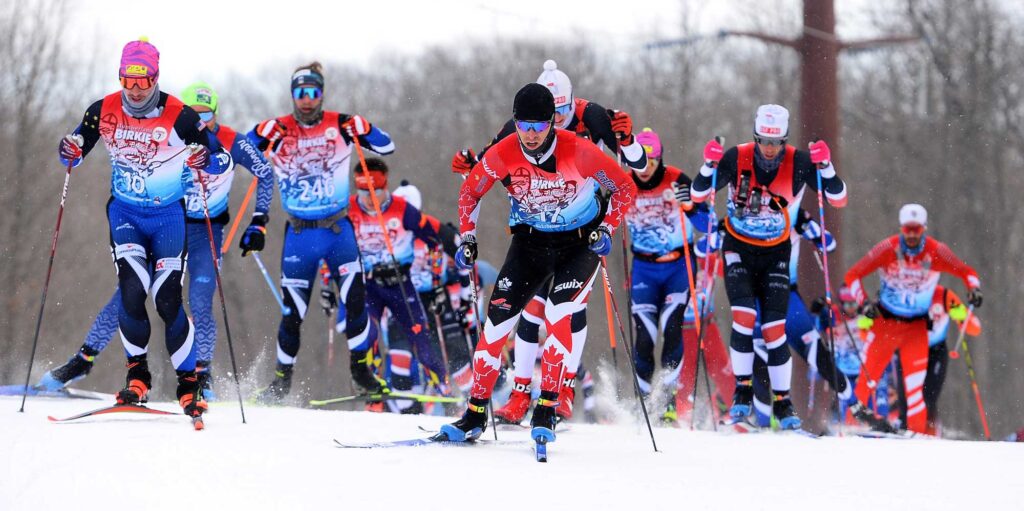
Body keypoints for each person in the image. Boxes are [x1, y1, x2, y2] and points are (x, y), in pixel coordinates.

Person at [39, 81, 274, 400]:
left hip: (204, 231)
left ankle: (202, 376)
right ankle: (83, 360)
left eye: (207, 115)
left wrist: (259, 222)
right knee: (129, 292)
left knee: (200, 299)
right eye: (196, 114)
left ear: (216, 114)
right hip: (168, 221)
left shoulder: (231, 141)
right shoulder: (174, 129)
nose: (201, 122)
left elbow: (265, 171)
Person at [439, 83, 636, 442]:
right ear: (515, 123)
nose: (531, 134)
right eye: (523, 125)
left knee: (558, 314)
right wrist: (467, 237)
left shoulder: (580, 150)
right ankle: (475, 414)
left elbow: (624, 188)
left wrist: (607, 228)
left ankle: (546, 409)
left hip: (580, 245)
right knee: (496, 326)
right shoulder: (503, 153)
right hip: (530, 244)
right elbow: (471, 191)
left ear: (552, 123)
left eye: (539, 126)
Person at [56, 39, 229, 420]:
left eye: (143, 81)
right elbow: (76, 148)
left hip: (168, 218)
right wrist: (68, 150)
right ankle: (138, 377)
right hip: (126, 216)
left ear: (155, 77)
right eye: (127, 80)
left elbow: (221, 158)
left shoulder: (181, 115)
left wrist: (206, 158)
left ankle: (189, 385)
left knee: (167, 298)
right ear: (120, 77)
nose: (134, 90)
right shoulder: (102, 110)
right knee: (132, 290)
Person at [690, 104, 847, 430]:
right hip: (738, 249)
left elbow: (838, 198)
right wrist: (708, 165)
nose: (770, 149)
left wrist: (827, 167)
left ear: (784, 140)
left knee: (775, 330)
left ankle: (783, 402)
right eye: (764, 141)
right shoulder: (737, 157)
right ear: (756, 137)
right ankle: (742, 391)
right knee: (745, 317)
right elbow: (698, 193)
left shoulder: (799, 162)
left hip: (776, 252)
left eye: (776, 142)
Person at [248, 62, 395, 401]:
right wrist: (258, 134)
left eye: (313, 92)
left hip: (337, 231)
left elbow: (387, 146)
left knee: (356, 302)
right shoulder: (279, 130)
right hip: (300, 235)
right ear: (292, 95)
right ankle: (281, 381)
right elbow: (237, 153)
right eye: (300, 92)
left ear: (321, 94)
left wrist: (366, 128)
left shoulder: (341, 125)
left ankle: (361, 372)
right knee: (292, 312)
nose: (307, 99)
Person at [843, 204, 982, 434]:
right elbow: (853, 275)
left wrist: (973, 289)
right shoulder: (888, 248)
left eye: (916, 230)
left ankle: (918, 435)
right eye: (907, 229)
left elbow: (966, 271)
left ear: (924, 229)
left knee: (915, 390)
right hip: (885, 323)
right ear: (901, 228)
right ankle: (848, 429)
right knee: (867, 380)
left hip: (916, 328)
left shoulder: (936, 251)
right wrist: (863, 302)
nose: (911, 235)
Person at [618, 127, 711, 423]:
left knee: (672, 327)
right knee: (645, 334)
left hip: (677, 266)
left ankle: (668, 401)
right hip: (644, 268)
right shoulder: (623, 183)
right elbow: (605, 216)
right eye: (640, 162)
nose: (645, 169)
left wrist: (690, 206)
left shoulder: (677, 178)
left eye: (652, 162)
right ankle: (644, 402)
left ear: (660, 159)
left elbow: (708, 222)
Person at [347, 159, 444, 412]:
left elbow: (434, 241)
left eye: (375, 192)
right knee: (367, 335)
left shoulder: (402, 209)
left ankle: (442, 386)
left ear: (385, 186)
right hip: (369, 285)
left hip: (400, 284)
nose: (370, 199)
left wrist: (437, 284)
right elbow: (333, 245)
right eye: (364, 192)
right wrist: (330, 282)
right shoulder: (349, 208)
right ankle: (372, 392)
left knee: (421, 340)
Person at [748, 208, 855, 428]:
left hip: (788, 297)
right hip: (758, 298)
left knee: (818, 354)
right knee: (760, 356)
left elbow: (829, 245)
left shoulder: (794, 212)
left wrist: (813, 231)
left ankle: (856, 407)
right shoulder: (749, 208)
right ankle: (762, 421)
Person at [391, 181, 475, 398]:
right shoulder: (390, 231)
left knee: (454, 349)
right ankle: (433, 396)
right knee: (420, 347)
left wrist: (465, 297)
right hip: (407, 295)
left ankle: (473, 397)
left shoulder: (432, 227)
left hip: (436, 294)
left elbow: (463, 255)